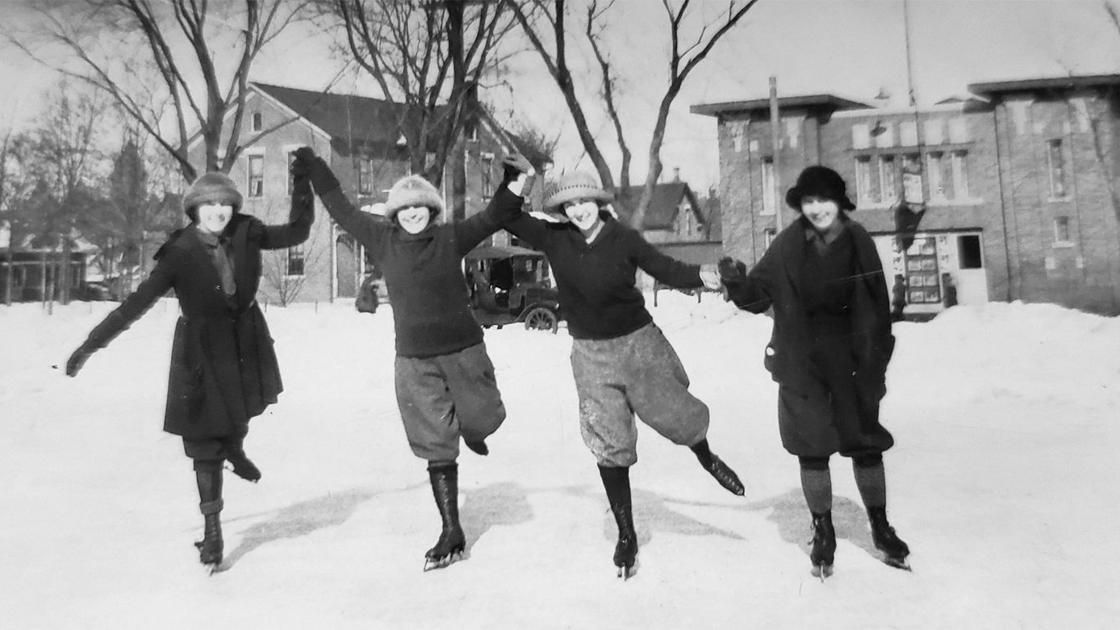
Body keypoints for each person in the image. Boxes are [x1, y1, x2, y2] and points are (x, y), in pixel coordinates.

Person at [291, 147, 533, 571]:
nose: (413, 214)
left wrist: (515, 180)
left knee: (484, 418)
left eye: (421, 207)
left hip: (463, 349)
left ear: (431, 210)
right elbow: (341, 208)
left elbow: (492, 216)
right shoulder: (381, 240)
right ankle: (451, 529)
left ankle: (472, 428)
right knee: (436, 444)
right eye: (405, 209)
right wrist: (314, 167)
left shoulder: (450, 237)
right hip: (415, 359)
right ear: (394, 215)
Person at [499, 171, 745, 580]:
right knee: (608, 439)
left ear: (599, 202)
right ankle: (626, 533)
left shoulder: (624, 239)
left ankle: (708, 458)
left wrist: (706, 275)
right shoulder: (554, 238)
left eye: (585, 202)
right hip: (591, 356)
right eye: (570, 205)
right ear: (562, 209)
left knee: (675, 412)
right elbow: (506, 213)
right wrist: (520, 179)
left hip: (637, 345)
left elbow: (664, 267)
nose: (579, 210)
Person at [65, 169, 314, 572]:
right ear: (194, 208)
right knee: (203, 441)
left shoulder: (247, 231)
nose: (218, 211)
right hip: (200, 349)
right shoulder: (178, 252)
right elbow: (136, 304)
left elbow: (297, 233)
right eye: (209, 204)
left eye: (225, 204)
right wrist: (91, 345)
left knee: (240, 411)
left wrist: (303, 184)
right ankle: (213, 531)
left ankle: (234, 445)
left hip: (244, 340)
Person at [717, 165, 910, 579]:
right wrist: (737, 282)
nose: (817, 208)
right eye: (809, 201)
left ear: (839, 202)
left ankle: (879, 526)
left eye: (824, 199)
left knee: (865, 444)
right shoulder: (788, 244)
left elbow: (877, 305)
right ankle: (823, 530)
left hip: (852, 362)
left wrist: (876, 361)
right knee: (812, 447)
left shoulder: (858, 240)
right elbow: (757, 293)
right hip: (802, 362)